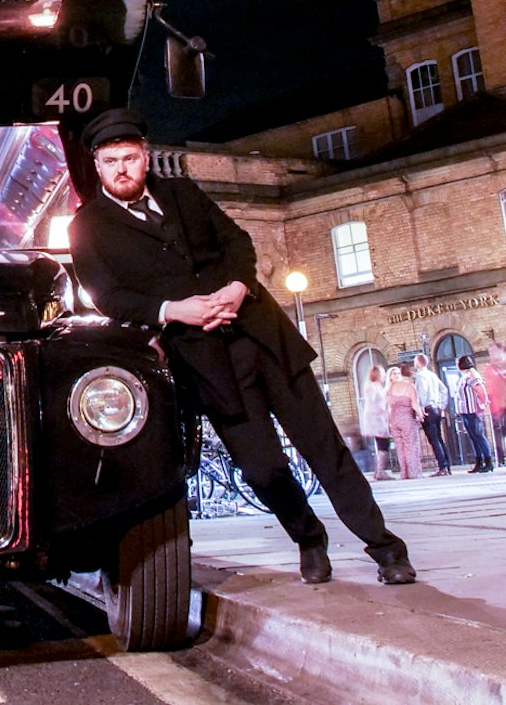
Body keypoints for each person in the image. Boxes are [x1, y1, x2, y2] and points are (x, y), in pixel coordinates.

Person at [68, 108, 416, 586]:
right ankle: (309, 537)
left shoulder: (183, 193)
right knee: (262, 469)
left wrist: (237, 286)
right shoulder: (88, 227)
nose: (121, 169)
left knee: (326, 450)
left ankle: (385, 549)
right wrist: (174, 310)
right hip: (205, 360)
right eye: (110, 161)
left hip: (263, 338)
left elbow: (237, 242)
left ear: (145, 158)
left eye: (129, 158)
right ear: (97, 165)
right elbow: (109, 296)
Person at [413, 353, 452, 475]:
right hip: (436, 409)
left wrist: (421, 407)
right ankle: (447, 465)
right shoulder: (432, 375)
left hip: (427, 409)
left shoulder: (420, 376)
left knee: (434, 440)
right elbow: (444, 390)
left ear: (418, 363)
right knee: (439, 438)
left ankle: (442, 467)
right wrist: (442, 405)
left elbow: (422, 391)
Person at [454, 355, 495, 472]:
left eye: (457, 363)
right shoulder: (464, 376)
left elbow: (481, 390)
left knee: (479, 436)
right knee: (473, 437)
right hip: (465, 411)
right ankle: (478, 461)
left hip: (473, 411)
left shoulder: (472, 375)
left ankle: (488, 462)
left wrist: (482, 404)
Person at [386, 363, 425, 479]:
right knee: (411, 445)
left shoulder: (390, 389)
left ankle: (404, 473)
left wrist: (389, 422)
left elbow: (388, 407)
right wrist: (421, 415)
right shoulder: (409, 386)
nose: (397, 375)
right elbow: (414, 403)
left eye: (397, 372)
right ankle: (414, 472)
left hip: (394, 420)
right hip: (407, 419)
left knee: (400, 446)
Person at [359, 365, 394, 480]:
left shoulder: (377, 386)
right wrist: (380, 411)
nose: (383, 376)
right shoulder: (371, 387)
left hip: (379, 418)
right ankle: (380, 471)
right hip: (375, 419)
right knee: (383, 443)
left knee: (382, 444)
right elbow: (371, 403)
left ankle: (379, 470)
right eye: (382, 373)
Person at [484, 343, 506, 459]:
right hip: (498, 407)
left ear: (502, 350)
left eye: (494, 351)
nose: (491, 354)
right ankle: (501, 457)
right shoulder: (490, 369)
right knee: (500, 432)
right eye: (490, 352)